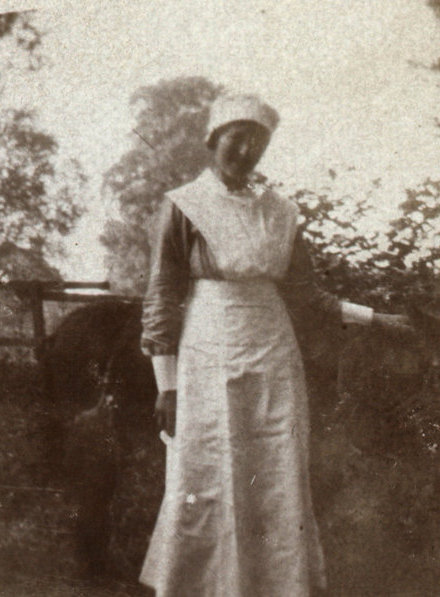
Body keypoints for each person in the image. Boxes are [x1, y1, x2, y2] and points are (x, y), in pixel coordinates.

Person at [139, 93, 412, 597]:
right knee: (208, 472)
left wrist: (377, 319)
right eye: (235, 138)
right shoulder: (184, 206)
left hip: (273, 353)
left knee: (275, 472)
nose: (245, 150)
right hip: (207, 352)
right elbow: (162, 296)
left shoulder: (280, 212)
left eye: (257, 141)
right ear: (213, 141)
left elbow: (306, 296)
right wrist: (167, 386)